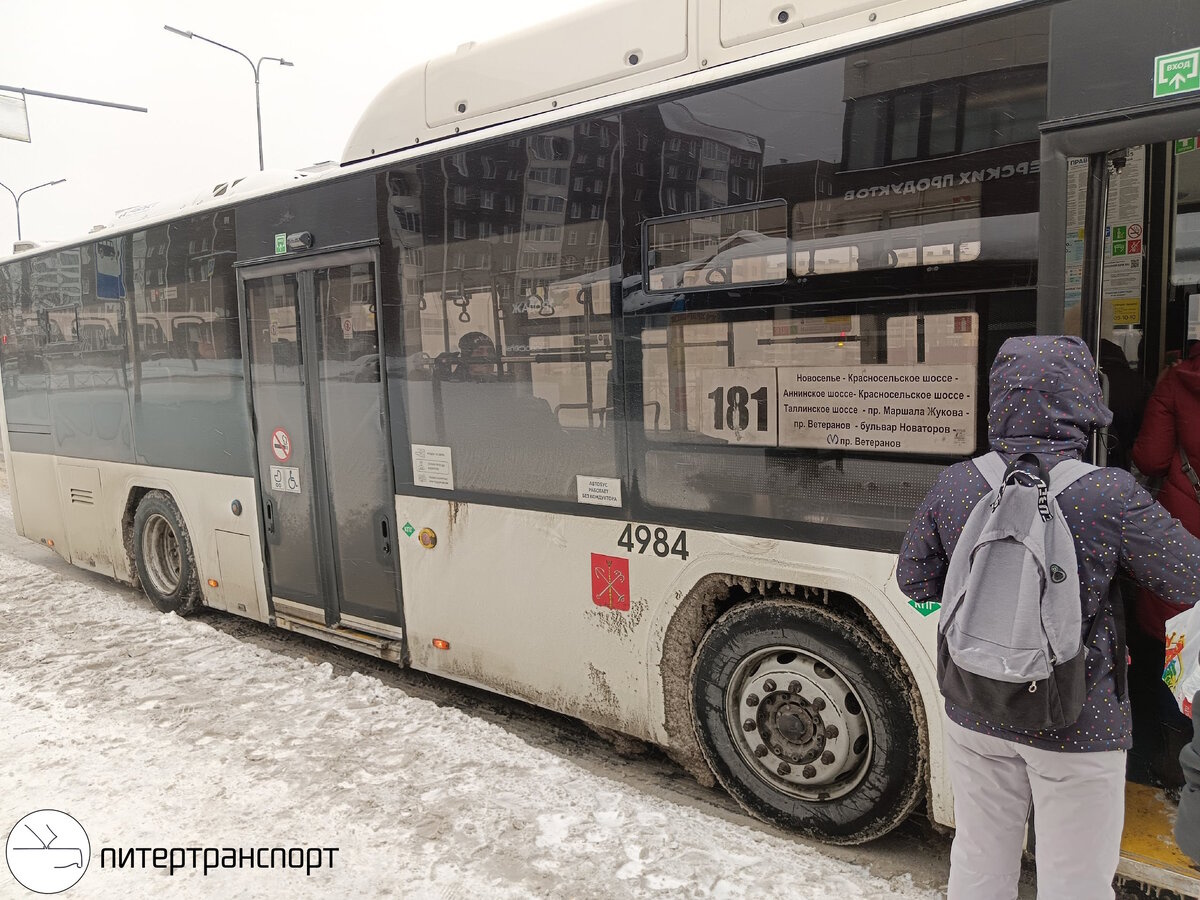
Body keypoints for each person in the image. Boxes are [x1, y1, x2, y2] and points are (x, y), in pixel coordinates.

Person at [897, 336, 1200, 900]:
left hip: (974, 705)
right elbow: (1189, 578)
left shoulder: (958, 483)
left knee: (981, 858)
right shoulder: (1108, 494)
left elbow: (914, 582)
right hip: (1078, 720)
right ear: (1084, 401)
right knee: (1076, 881)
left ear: (999, 400)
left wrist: (994, 618)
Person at [1130, 341, 1200, 786]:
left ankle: (1171, 756)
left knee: (1173, 645)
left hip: (1185, 530)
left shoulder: (1178, 381)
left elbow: (1150, 458)